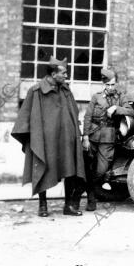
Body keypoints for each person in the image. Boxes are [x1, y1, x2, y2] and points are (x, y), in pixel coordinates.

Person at [11, 56, 85, 217]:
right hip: (46, 141)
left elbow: (74, 112)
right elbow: (24, 117)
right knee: (42, 167)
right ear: (53, 73)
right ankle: (42, 205)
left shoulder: (66, 90)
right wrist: (33, 138)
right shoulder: (36, 91)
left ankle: (69, 206)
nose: (66, 76)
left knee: (70, 169)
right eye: (64, 73)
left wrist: (77, 134)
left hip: (66, 138)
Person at [82, 67, 134, 211]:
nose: (110, 87)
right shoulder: (96, 97)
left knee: (101, 169)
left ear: (116, 84)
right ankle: (91, 198)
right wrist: (85, 136)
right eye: (107, 85)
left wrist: (116, 108)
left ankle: (89, 189)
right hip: (92, 135)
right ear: (103, 84)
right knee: (87, 166)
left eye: (113, 84)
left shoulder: (120, 96)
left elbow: (131, 111)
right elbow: (87, 117)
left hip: (108, 137)